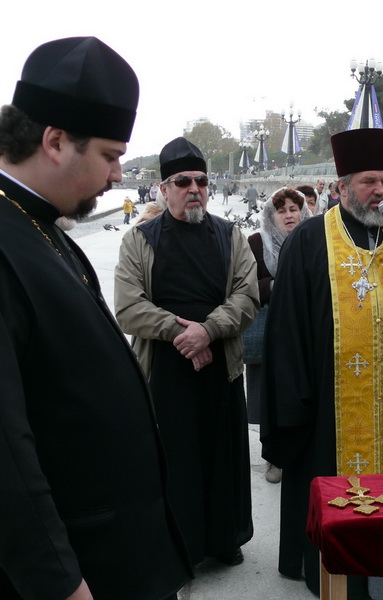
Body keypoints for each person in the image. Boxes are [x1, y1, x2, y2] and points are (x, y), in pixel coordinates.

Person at [0, 36, 190, 600]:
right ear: (55, 141)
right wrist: (61, 583)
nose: (116, 176)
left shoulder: (41, 227)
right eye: (110, 155)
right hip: (81, 572)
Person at [260, 128, 383, 599]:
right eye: (369, 181)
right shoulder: (308, 240)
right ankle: (338, 572)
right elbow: (285, 330)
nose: (381, 191)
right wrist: (294, 402)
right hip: (331, 408)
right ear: (341, 185)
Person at [115, 137, 260, 568]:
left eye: (201, 180)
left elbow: (246, 296)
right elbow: (128, 306)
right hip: (165, 370)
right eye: (183, 181)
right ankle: (180, 546)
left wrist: (209, 331)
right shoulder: (139, 240)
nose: (194, 188)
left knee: (222, 455)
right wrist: (184, 335)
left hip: (221, 367)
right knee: (175, 460)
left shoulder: (229, 236)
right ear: (164, 188)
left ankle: (224, 538)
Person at [246, 187, 311, 485]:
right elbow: (244, 288)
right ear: (270, 216)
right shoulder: (256, 242)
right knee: (269, 396)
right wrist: (275, 285)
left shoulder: (313, 238)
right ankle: (272, 455)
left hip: (305, 331)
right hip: (270, 331)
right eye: (281, 210)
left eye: (293, 209)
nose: (288, 215)